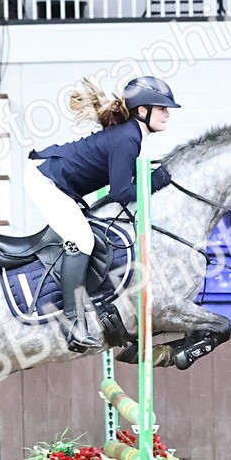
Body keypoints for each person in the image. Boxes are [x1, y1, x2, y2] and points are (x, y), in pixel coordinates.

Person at [24, 75, 180, 352]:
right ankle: (73, 324)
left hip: (55, 179)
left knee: (89, 236)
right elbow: (121, 193)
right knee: (83, 241)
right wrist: (156, 181)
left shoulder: (132, 135)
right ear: (142, 111)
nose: (168, 114)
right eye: (162, 108)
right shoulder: (128, 139)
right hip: (45, 179)